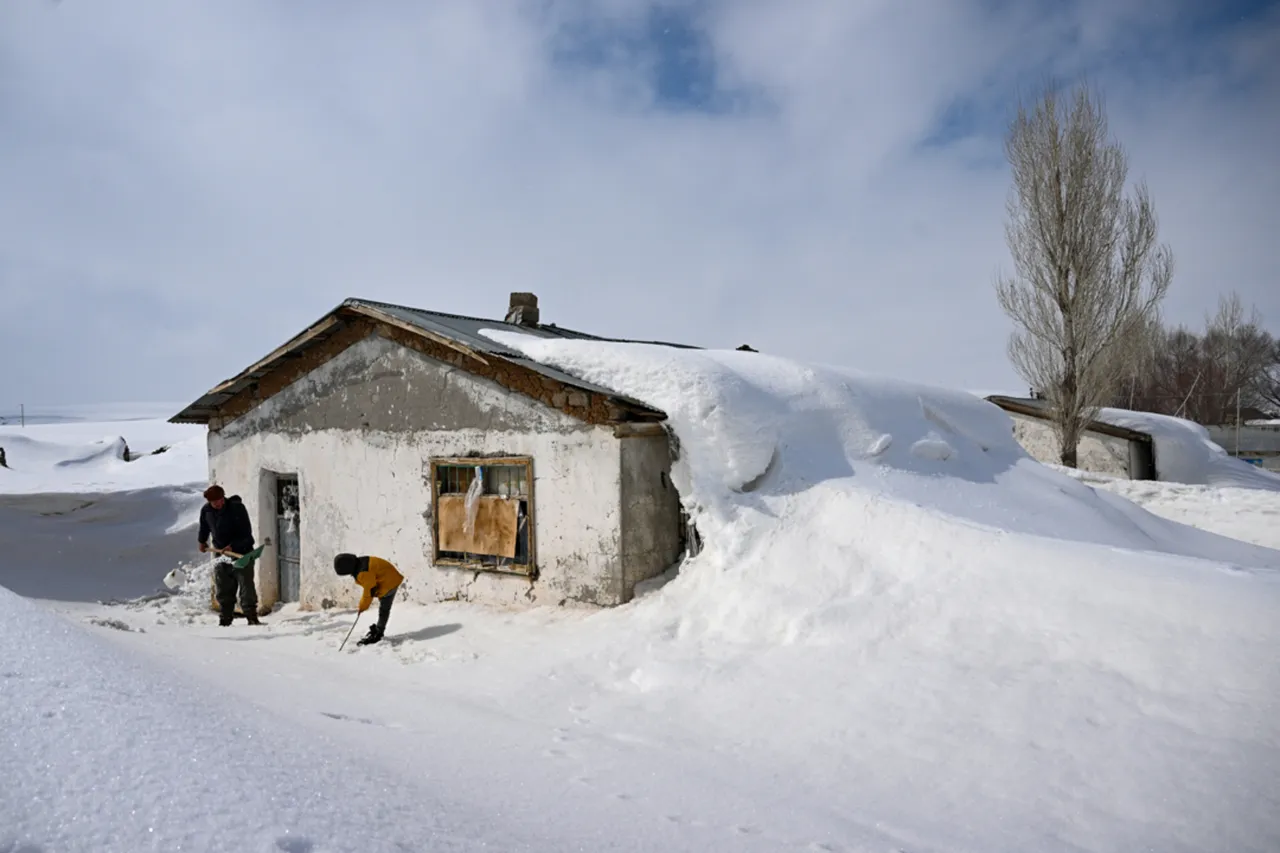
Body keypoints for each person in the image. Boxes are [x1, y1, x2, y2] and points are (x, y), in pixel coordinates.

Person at [198, 484, 260, 626]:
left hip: (242, 554)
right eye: (214, 502)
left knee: (246, 588)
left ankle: (251, 617)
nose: (218, 504)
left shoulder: (237, 509)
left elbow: (247, 535)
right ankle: (225, 619)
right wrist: (202, 541)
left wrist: (233, 546)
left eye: (220, 500)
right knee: (223, 586)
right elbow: (204, 527)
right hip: (221, 554)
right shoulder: (206, 511)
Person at [333, 553, 404, 645]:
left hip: (390, 582)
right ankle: (379, 629)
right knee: (384, 609)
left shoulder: (363, 573)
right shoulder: (361, 562)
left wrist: (362, 607)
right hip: (388, 577)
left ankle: (378, 633)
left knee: (384, 609)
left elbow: (369, 591)